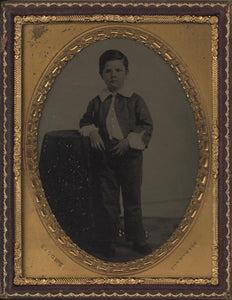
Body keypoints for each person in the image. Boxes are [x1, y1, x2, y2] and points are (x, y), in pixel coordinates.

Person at [79, 49, 153, 258]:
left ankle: (137, 238)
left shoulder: (135, 100)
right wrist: (92, 132)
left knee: (132, 198)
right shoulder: (97, 101)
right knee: (107, 200)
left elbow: (146, 125)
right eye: (108, 71)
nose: (113, 75)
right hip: (105, 158)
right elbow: (85, 121)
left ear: (126, 72)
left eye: (118, 70)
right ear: (101, 75)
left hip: (130, 158)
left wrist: (129, 141)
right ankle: (107, 241)